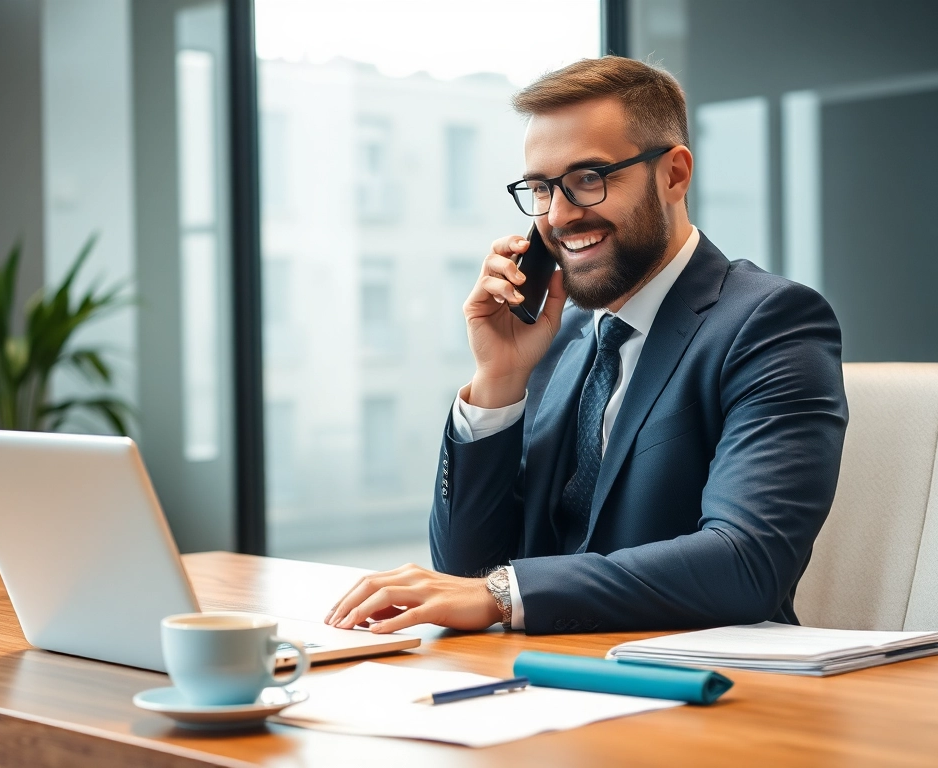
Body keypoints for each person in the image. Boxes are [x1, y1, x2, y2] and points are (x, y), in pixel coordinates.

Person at [325, 56, 848, 635]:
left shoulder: (770, 322)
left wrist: (504, 594)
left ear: (673, 174)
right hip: (553, 677)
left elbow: (746, 563)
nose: (559, 215)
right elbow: (465, 573)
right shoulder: (559, 337)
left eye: (588, 179)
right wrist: (498, 379)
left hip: (708, 688)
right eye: (542, 188)